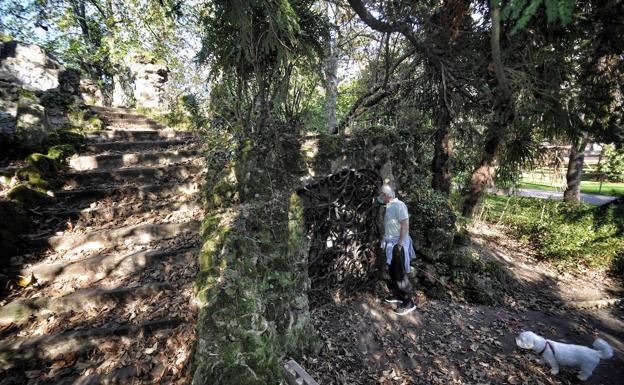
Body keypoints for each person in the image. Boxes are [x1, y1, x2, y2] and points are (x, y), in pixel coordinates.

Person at [377, 184, 417, 315]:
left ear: (387, 195)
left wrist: (399, 245)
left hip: (398, 244)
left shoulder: (399, 205)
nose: (380, 197)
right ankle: (399, 296)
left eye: (381, 195)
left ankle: (408, 302)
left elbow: (405, 225)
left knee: (400, 273)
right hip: (391, 243)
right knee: (393, 271)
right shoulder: (389, 206)